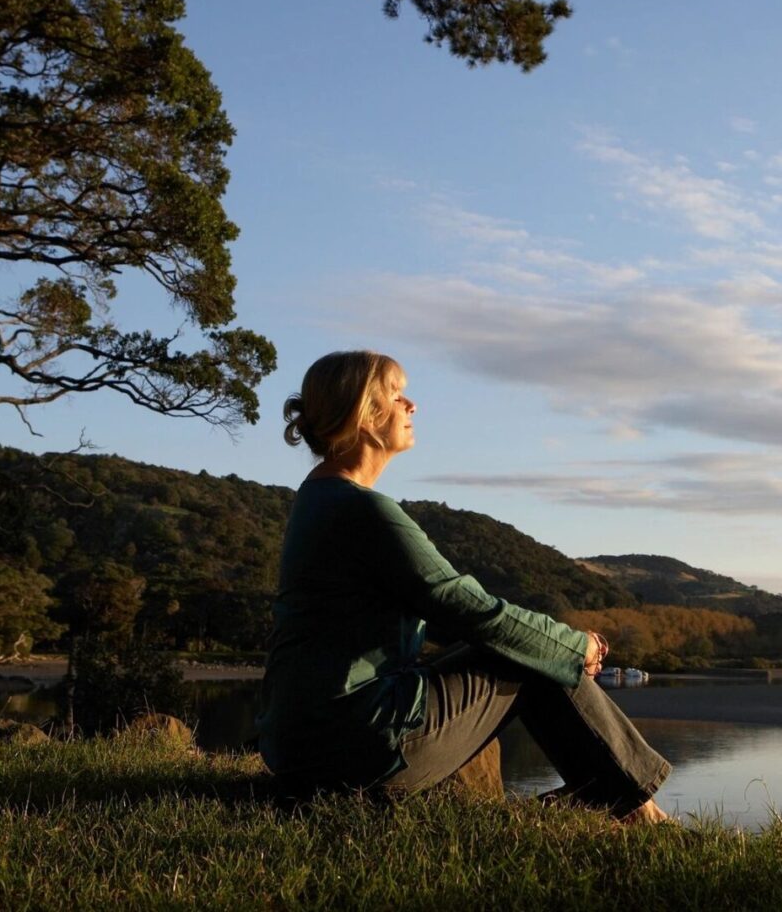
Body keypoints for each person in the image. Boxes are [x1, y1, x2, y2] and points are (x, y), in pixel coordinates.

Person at [256, 350, 671, 821]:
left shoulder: (318, 499)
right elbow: (471, 610)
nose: (412, 405)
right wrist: (576, 646)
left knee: (526, 643)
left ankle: (614, 796)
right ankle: (639, 810)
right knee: (528, 650)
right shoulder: (361, 511)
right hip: (353, 751)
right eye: (396, 395)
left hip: (306, 746)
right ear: (365, 418)